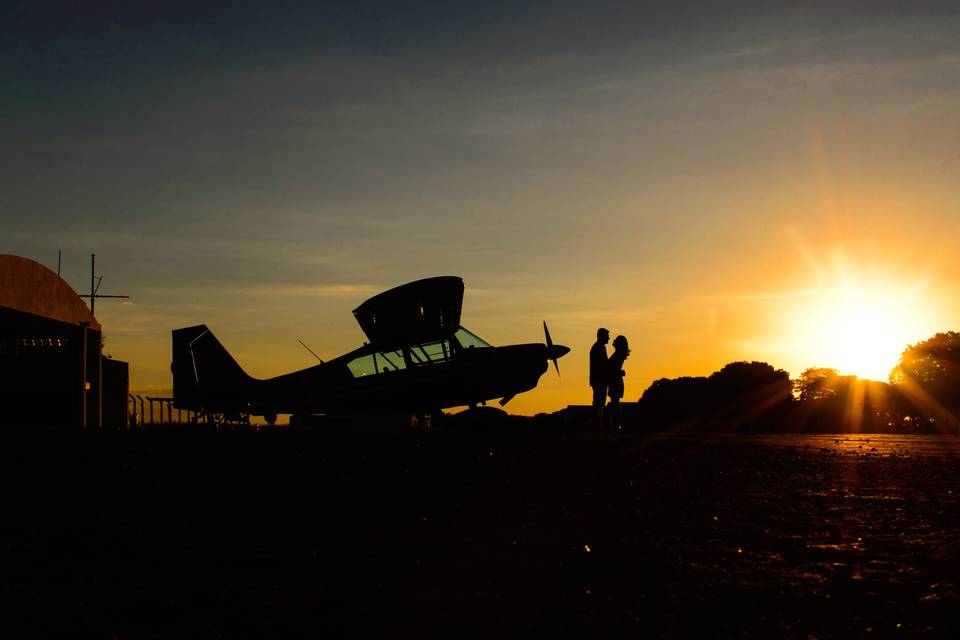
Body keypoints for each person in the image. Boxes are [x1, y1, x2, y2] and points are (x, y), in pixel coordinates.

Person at [606, 335, 630, 432]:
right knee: (615, 404)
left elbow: (613, 368)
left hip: (615, 382)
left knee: (615, 405)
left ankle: (616, 426)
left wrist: (619, 372)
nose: (614, 340)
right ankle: (616, 425)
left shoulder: (618, 355)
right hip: (615, 382)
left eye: (616, 340)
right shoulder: (618, 354)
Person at [589, 328, 610, 433]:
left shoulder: (598, 348)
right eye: (607, 336)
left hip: (599, 379)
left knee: (600, 403)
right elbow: (603, 365)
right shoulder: (598, 348)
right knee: (599, 403)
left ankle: (598, 425)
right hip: (599, 380)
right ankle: (597, 426)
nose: (608, 338)